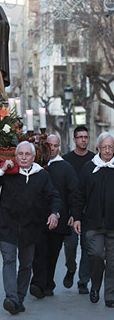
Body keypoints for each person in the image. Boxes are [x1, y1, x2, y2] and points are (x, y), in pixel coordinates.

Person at [0, 141, 61, 315]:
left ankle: (19, 298)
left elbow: (53, 196)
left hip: (31, 228)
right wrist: (1, 170)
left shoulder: (41, 175)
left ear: (33, 157)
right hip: (7, 227)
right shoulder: (8, 173)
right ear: (15, 156)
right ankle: (11, 298)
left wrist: (54, 213)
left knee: (26, 265)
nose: (24, 157)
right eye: (20, 154)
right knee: (9, 261)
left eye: (27, 154)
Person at [30, 135, 77, 298]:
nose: (51, 149)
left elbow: (73, 192)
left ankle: (48, 284)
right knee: (38, 251)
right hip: (38, 217)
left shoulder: (66, 168)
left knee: (52, 253)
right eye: (48, 145)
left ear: (59, 148)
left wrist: (73, 214)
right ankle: (37, 283)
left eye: (55, 146)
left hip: (59, 217)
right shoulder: (36, 165)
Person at [72, 132, 114, 307]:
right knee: (96, 255)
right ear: (98, 148)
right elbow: (79, 195)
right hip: (92, 223)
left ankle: (110, 295)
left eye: (111, 147)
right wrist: (77, 218)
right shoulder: (89, 168)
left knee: (112, 262)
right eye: (104, 147)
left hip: (113, 224)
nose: (107, 150)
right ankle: (95, 286)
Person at [62, 125, 95, 294]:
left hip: (90, 213)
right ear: (74, 140)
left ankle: (84, 281)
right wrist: (68, 213)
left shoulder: (94, 160)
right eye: (80, 137)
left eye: (86, 137)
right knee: (70, 245)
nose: (83, 140)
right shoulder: (65, 160)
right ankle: (71, 268)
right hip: (71, 214)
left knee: (88, 248)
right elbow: (62, 189)